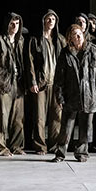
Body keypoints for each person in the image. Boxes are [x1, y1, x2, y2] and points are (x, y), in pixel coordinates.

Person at [51, 24, 96, 163]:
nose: (78, 37)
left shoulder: (94, 51)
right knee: (66, 127)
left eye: (80, 34)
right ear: (70, 38)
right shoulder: (65, 54)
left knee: (86, 127)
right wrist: (60, 96)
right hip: (71, 96)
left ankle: (82, 153)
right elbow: (59, 78)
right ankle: (60, 153)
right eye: (74, 35)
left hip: (89, 96)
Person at [0, 12, 26, 156]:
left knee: (18, 117)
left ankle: (16, 146)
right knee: (1, 116)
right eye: (12, 23)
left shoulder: (20, 41)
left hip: (18, 83)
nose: (14, 26)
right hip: (3, 83)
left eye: (17, 24)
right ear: (7, 24)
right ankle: (1, 146)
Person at [27, 10, 66, 155]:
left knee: (57, 116)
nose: (50, 22)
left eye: (53, 19)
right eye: (48, 19)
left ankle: (54, 145)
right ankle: (40, 146)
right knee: (40, 117)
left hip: (56, 83)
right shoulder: (35, 40)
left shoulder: (60, 40)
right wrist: (33, 81)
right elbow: (30, 62)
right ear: (43, 21)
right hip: (41, 83)